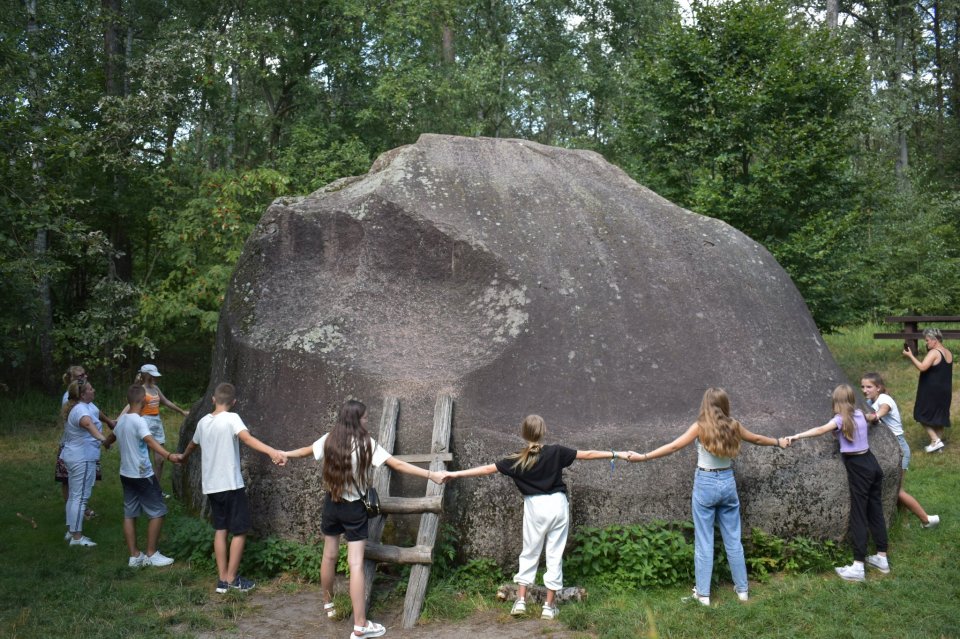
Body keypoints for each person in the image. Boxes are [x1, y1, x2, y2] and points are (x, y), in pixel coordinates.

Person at [283, 399, 448, 639]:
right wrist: (431, 474)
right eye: (366, 418)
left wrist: (284, 454)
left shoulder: (329, 439)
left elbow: (304, 451)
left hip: (331, 503)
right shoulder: (365, 443)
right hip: (353, 508)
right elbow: (397, 464)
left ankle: (328, 604)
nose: (367, 421)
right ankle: (360, 625)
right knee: (356, 564)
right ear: (357, 419)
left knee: (329, 555)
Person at [444, 414, 626, 620]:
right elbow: (589, 454)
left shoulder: (515, 459)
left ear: (524, 434)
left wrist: (455, 474)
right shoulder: (557, 452)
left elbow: (486, 469)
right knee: (554, 555)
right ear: (543, 431)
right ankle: (549, 607)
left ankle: (520, 601)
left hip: (535, 507)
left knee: (529, 552)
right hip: (557, 504)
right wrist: (615, 453)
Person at [625, 388, 787, 604]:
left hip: (706, 483)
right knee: (733, 540)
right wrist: (778, 442)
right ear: (724, 404)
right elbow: (756, 439)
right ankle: (743, 591)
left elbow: (673, 446)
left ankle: (703, 595)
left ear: (705, 405)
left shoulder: (700, 427)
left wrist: (643, 456)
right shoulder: (734, 425)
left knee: (704, 541)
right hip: (728, 481)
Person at [173, 383, 286, 593]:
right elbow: (246, 438)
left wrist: (183, 457)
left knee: (220, 530)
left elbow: (191, 444)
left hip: (211, 486)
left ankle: (222, 579)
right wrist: (271, 452)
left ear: (213, 400)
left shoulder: (203, 422)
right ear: (234, 402)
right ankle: (232, 579)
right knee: (240, 531)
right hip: (231, 485)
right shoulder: (232, 418)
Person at [787, 384, 889, 581]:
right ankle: (881, 556)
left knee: (859, 514)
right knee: (875, 509)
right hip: (872, 463)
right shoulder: (859, 414)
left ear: (836, 401)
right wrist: (875, 418)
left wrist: (797, 436)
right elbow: (872, 417)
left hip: (859, 467)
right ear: (851, 400)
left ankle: (858, 566)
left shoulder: (840, 420)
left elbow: (820, 430)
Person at [861, 372, 940, 529]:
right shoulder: (870, 401)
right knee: (895, 487)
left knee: (897, 490)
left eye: (869, 387)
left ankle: (926, 520)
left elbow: (884, 409)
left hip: (899, 447)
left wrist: (875, 416)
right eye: (862, 386)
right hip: (889, 448)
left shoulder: (884, 399)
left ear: (879, 387)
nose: (865, 390)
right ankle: (903, 523)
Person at [115, 384, 180, 568]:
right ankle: (151, 554)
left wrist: (105, 442)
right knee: (158, 512)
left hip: (125, 473)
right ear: (144, 400)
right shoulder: (139, 421)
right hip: (142, 474)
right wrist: (169, 455)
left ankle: (135, 556)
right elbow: (150, 441)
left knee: (130, 514)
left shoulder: (122, 420)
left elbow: (111, 437)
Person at [60, 379, 116, 547]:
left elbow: (98, 416)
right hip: (81, 458)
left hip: (76, 455)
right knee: (80, 497)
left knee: (74, 496)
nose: (94, 390)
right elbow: (89, 426)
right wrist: (104, 441)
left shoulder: (87, 406)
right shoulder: (80, 411)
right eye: (91, 389)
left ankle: (71, 532)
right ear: (83, 395)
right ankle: (77, 538)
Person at [128, 364, 190, 491]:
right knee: (144, 458)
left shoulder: (155, 388)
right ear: (146, 375)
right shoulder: (140, 390)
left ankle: (155, 489)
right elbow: (130, 406)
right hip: (144, 422)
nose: (155, 378)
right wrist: (119, 420)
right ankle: (142, 487)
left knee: (160, 460)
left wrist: (181, 411)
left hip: (157, 423)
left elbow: (166, 401)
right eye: (152, 376)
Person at [904, 328, 953, 452]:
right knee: (940, 416)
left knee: (920, 413)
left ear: (934, 340)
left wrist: (910, 355)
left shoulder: (934, 352)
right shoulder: (948, 352)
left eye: (927, 340)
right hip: (945, 389)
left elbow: (922, 367)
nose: (926, 343)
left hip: (932, 389)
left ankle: (935, 440)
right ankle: (938, 445)